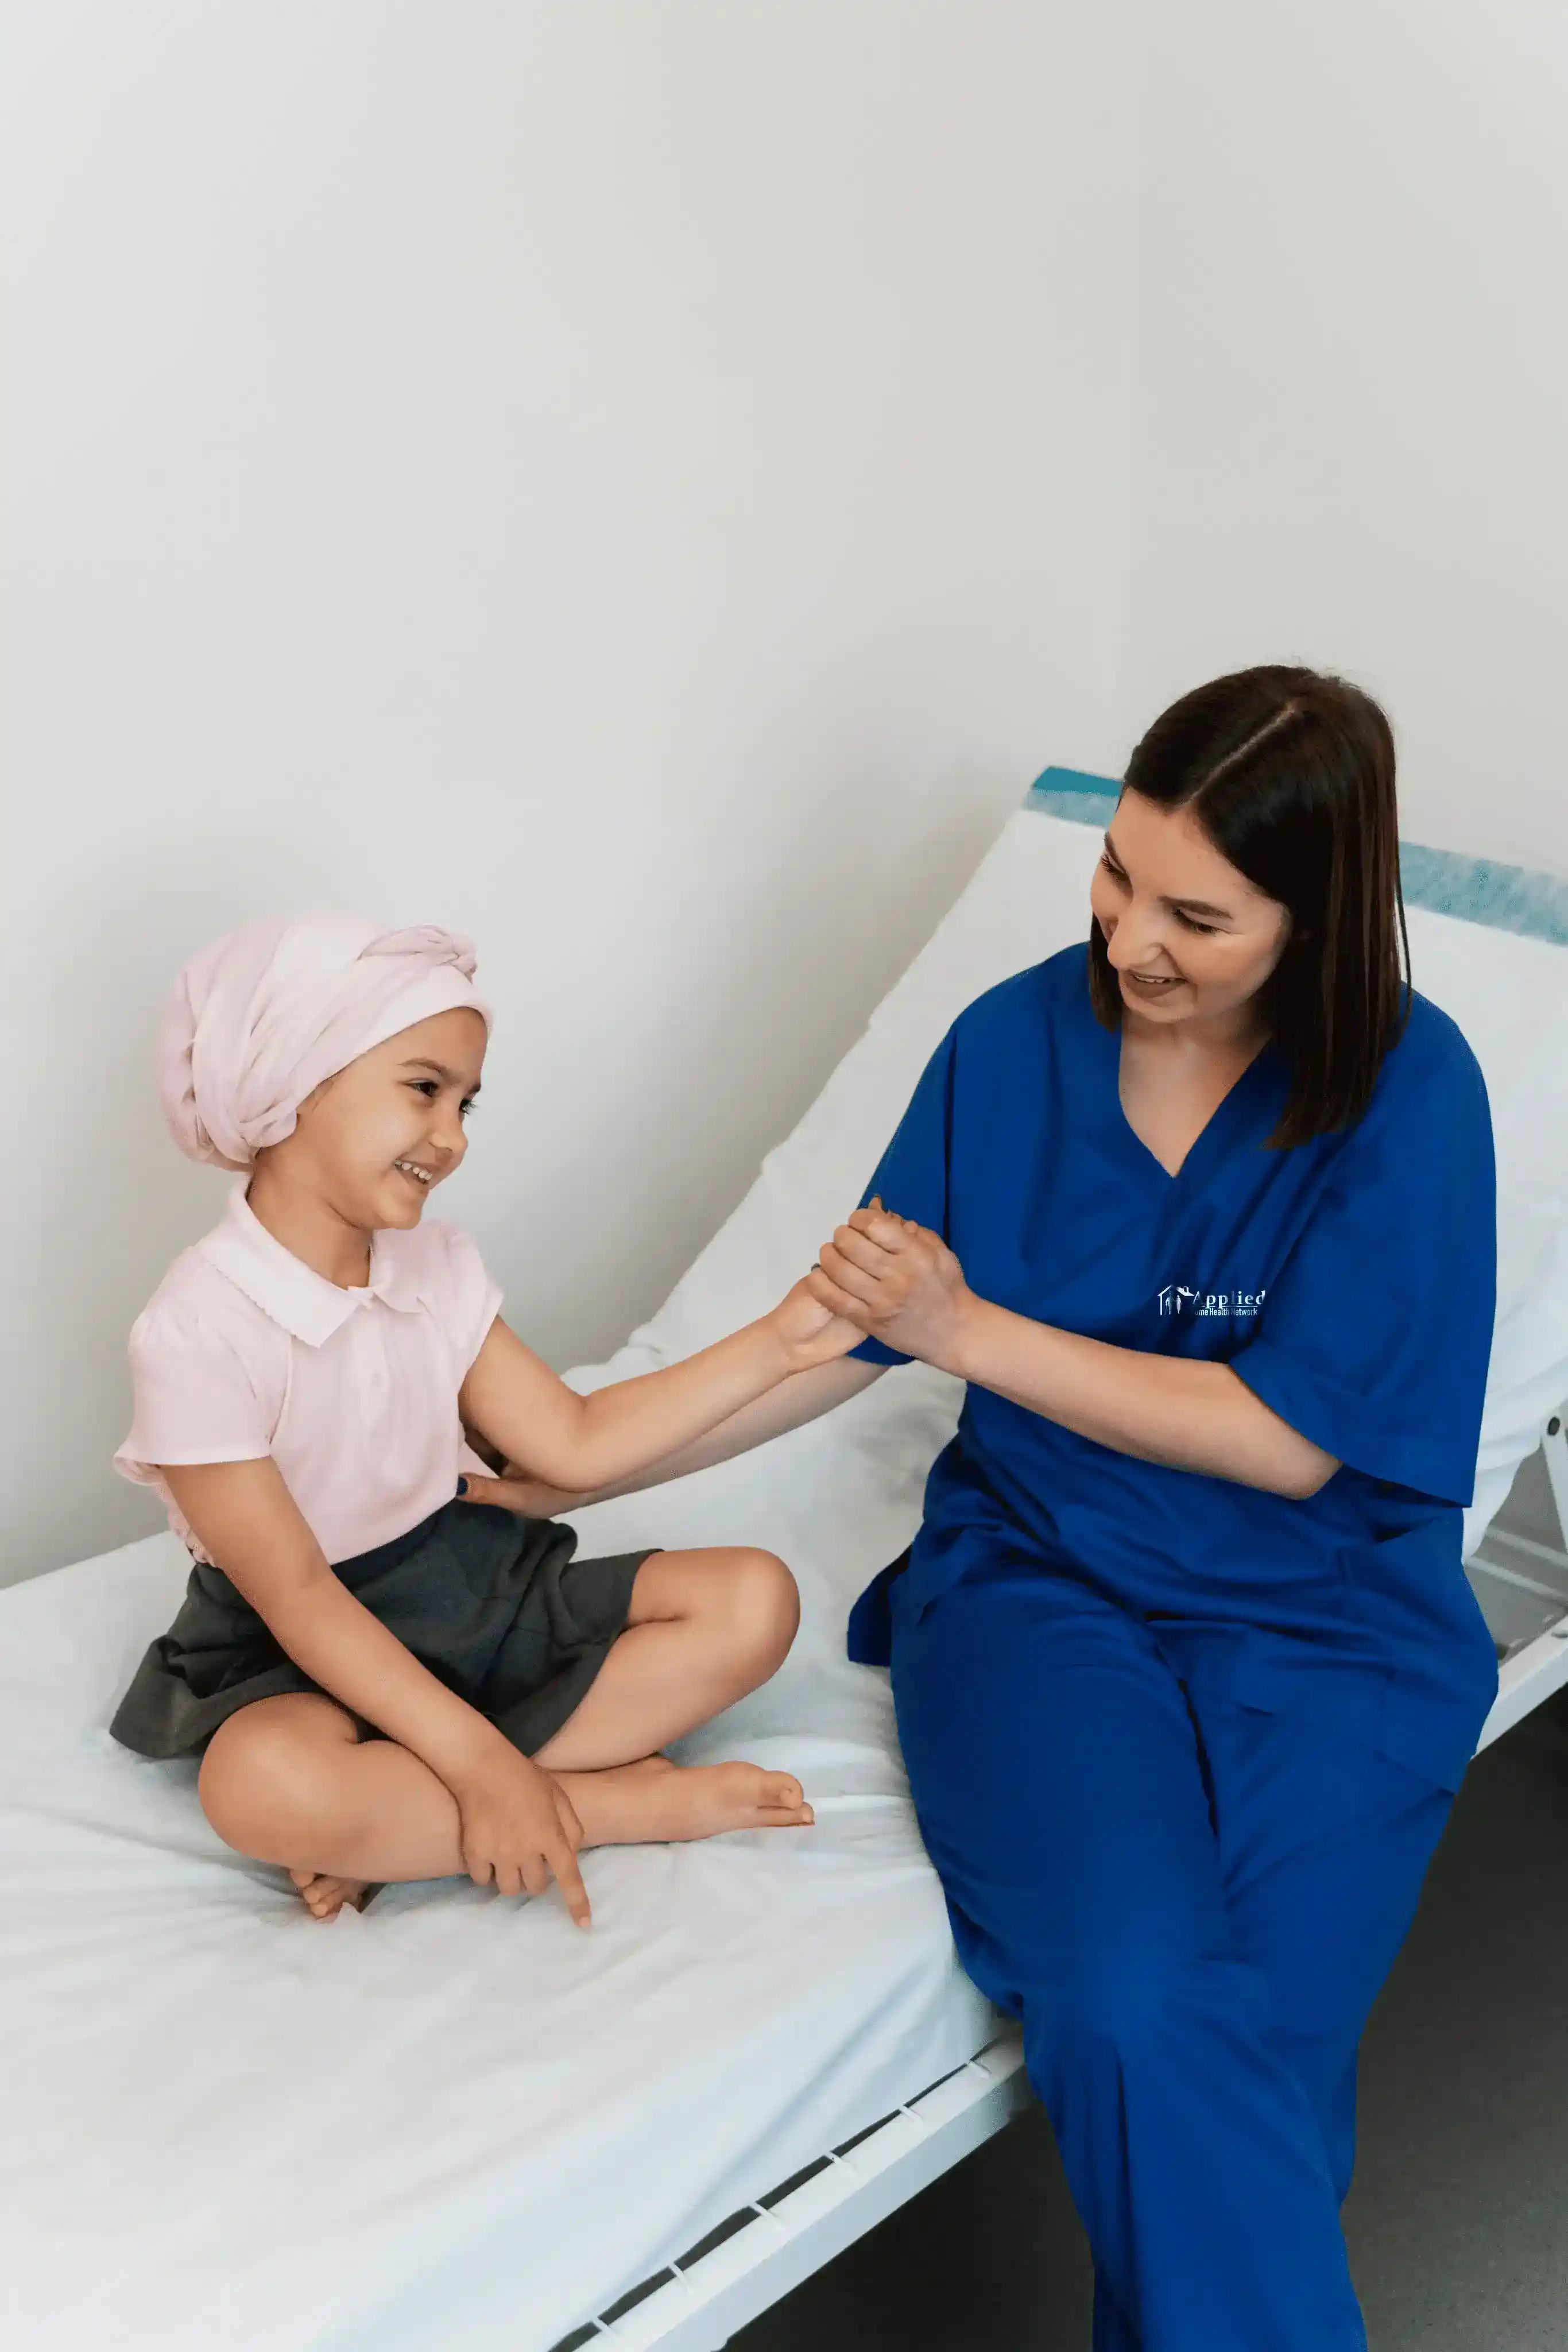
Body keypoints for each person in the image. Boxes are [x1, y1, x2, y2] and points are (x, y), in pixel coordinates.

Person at [476, 667, 1500, 2351]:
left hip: (1327, 1618)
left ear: (1317, 926)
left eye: (1199, 915)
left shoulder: (1408, 1089)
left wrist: (969, 1330)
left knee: (1268, 2043)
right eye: (1114, 875)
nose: (1129, 940)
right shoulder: (1011, 1045)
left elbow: (1286, 1443)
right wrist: (570, 1462)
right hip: (1043, 1589)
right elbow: (839, 1330)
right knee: (1130, 2000)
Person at [111, 914, 861, 1924]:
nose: (452, 1137)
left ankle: (401, 1819)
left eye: (466, 1103)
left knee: (752, 1600)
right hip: (293, 1642)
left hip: (464, 1586)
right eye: (423, 1089)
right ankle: (599, 1806)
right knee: (261, 1786)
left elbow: (573, 1442)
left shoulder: (434, 1266)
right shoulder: (193, 1331)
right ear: (295, 1077)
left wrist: (781, 1339)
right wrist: (479, 1766)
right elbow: (296, 1596)